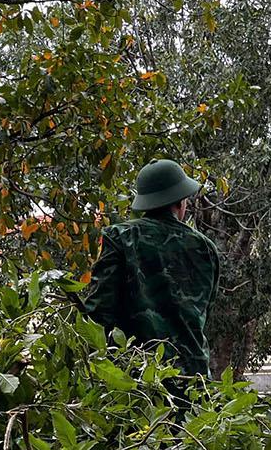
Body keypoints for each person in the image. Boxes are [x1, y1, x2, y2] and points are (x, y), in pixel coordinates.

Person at [82, 158, 221, 380]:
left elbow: (98, 316)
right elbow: (203, 312)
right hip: (193, 381)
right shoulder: (206, 248)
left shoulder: (120, 238)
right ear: (181, 201)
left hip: (136, 381)